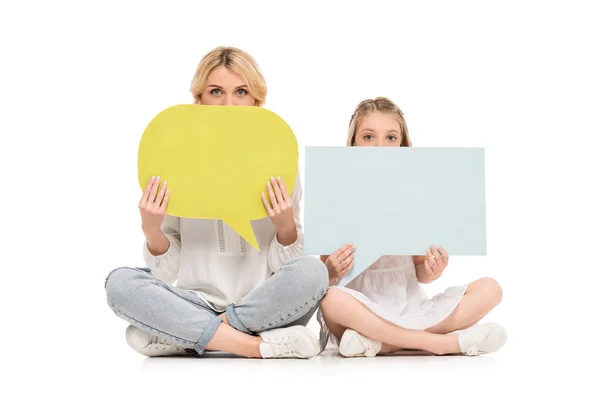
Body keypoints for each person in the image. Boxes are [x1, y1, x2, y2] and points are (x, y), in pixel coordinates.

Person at [105, 46, 328, 359]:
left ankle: (189, 334)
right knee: (120, 283)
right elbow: (165, 274)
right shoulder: (175, 162)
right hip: (196, 301)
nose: (228, 103)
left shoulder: (278, 161)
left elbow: (287, 267)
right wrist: (151, 229)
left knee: (313, 272)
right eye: (216, 91)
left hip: (265, 304)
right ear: (199, 99)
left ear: (256, 99)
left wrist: (286, 228)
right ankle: (255, 346)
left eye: (240, 91)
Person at [317, 97, 507, 357]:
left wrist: (433, 269)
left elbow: (420, 272)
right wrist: (332, 268)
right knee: (330, 300)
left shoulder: (416, 194)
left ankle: (385, 344)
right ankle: (436, 343)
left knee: (491, 288)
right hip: (360, 310)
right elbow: (328, 276)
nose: (380, 146)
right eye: (369, 137)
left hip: (409, 307)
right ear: (353, 143)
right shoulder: (335, 193)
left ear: (403, 145)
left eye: (391, 138)